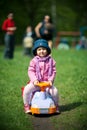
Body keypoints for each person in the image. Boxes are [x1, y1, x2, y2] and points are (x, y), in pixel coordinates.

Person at [23, 39, 59, 114]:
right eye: (39, 49)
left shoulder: (51, 61)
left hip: (47, 83)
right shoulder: (33, 61)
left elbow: (53, 72)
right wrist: (34, 80)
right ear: (36, 51)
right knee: (26, 90)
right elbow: (31, 71)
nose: (41, 51)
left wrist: (50, 80)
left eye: (44, 49)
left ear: (47, 50)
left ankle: (56, 106)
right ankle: (26, 105)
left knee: (55, 92)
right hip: (36, 83)